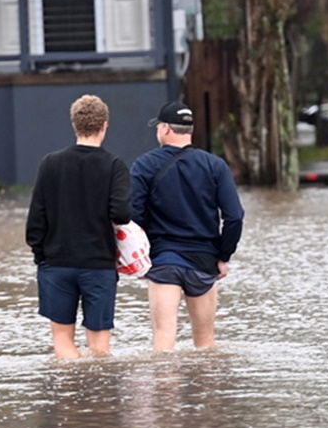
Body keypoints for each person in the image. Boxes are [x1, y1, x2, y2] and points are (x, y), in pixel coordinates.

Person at [130, 101, 244, 351]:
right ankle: (205, 389)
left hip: (163, 261)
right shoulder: (215, 165)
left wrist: (137, 258)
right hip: (204, 262)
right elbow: (234, 216)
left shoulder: (144, 165)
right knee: (205, 347)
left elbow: (133, 216)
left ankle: (165, 389)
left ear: (167, 129)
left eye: (158, 126)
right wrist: (223, 257)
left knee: (163, 341)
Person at [26, 95, 132, 359]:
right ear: (105, 125)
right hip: (98, 265)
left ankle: (70, 398)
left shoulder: (50, 163)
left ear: (74, 124)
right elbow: (121, 213)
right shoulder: (114, 165)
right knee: (99, 349)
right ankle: (96, 397)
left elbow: (36, 220)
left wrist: (42, 256)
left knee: (63, 343)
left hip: (57, 263)